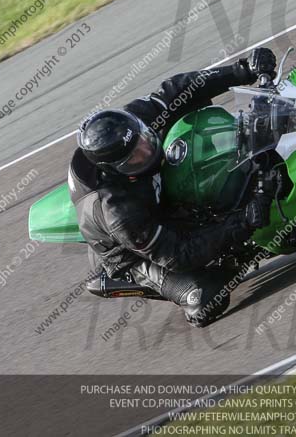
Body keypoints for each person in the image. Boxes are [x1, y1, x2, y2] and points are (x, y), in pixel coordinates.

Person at [69, 48, 277, 327]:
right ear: (117, 169)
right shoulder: (119, 210)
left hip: (152, 199)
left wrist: (242, 70)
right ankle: (133, 278)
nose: (147, 148)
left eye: (144, 137)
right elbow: (179, 255)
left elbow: (180, 89)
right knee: (206, 298)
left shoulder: (128, 128)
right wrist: (245, 221)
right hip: (133, 250)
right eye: (136, 156)